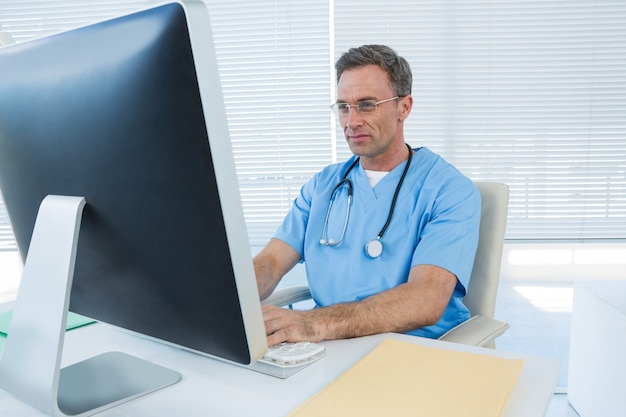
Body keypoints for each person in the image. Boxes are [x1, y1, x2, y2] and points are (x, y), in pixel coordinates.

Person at [255, 45, 481, 346]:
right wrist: (216, 298)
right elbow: (270, 263)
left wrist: (312, 323)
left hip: (414, 350)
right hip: (330, 345)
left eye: (366, 104)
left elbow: (426, 298)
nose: (351, 121)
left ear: (404, 107)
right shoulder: (323, 186)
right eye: (343, 107)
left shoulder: (449, 190)